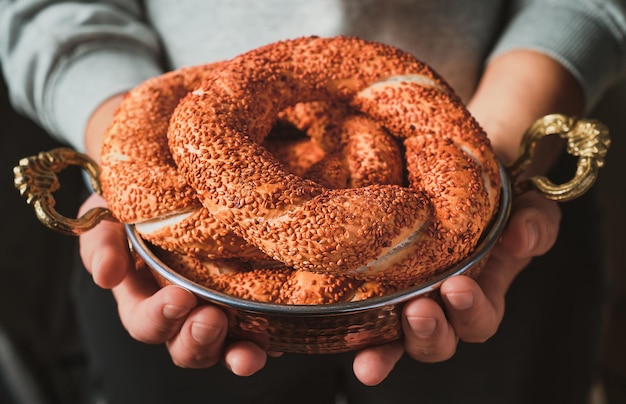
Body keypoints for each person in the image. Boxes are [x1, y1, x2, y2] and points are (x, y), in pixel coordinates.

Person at [1, 1, 625, 403]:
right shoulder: (208, 130)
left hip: (487, 175)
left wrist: (510, 141)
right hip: (175, 221)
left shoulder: (429, 194)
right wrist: (115, 136)